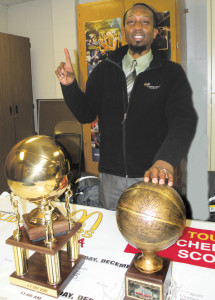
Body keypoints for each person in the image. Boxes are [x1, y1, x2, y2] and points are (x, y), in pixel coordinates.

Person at [55, 3, 197, 210]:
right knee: (112, 235)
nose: (137, 27)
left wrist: (165, 161)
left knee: (150, 236)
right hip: (110, 176)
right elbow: (86, 113)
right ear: (124, 31)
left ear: (155, 32)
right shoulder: (105, 69)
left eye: (145, 22)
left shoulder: (171, 73)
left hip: (153, 175)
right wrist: (69, 86)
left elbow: (184, 122)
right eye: (131, 22)